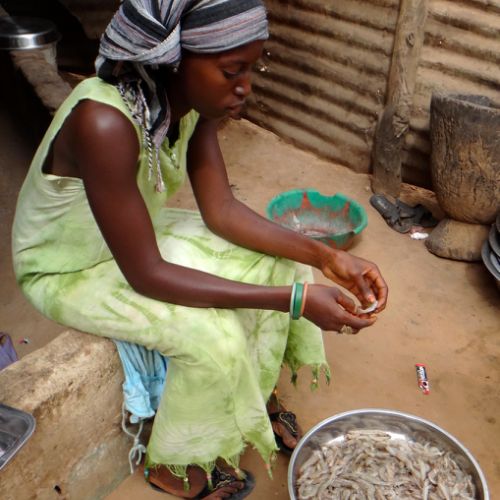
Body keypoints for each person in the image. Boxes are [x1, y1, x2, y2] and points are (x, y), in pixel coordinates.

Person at [12, 0, 388, 498]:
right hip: (67, 267)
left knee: (282, 265)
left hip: (131, 233)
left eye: (252, 68)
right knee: (213, 338)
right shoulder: (103, 123)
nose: (246, 86)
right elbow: (148, 274)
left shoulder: (189, 106)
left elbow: (222, 210)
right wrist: (297, 304)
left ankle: (254, 395)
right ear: (173, 63)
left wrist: (326, 257)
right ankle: (173, 464)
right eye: (232, 71)